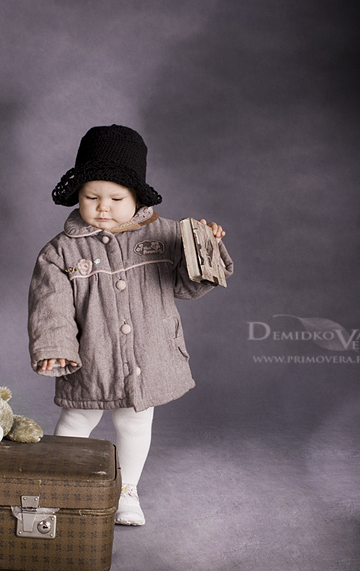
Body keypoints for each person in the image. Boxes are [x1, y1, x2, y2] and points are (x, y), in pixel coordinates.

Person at [28, 124, 233, 525]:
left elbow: (190, 286)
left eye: (116, 198)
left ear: (137, 197)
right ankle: (60, 483)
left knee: (135, 422)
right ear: (78, 194)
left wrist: (207, 245)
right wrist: (54, 347)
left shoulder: (168, 234)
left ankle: (126, 491)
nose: (103, 207)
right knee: (77, 418)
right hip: (92, 357)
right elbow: (50, 304)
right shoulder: (60, 251)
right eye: (91, 197)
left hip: (147, 356)